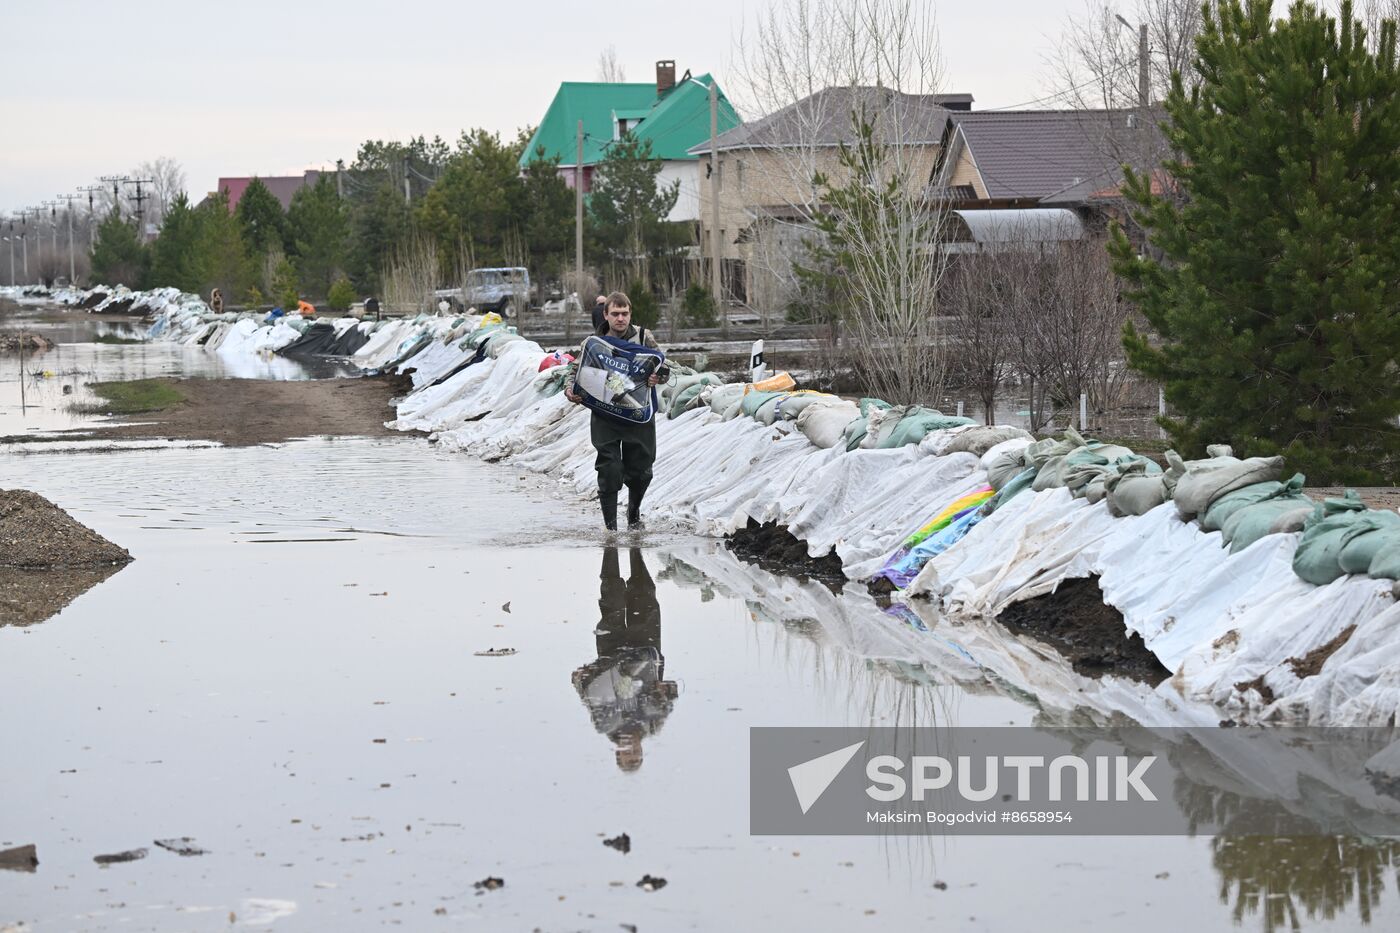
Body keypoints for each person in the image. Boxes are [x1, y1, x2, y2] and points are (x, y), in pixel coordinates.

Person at [564, 291, 665, 531]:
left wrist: (657, 377)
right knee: (609, 469)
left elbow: (663, 365)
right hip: (605, 412)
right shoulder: (594, 344)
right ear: (606, 315)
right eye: (615, 314)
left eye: (625, 313)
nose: (621, 318)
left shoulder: (643, 337)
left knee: (641, 470)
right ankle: (611, 527)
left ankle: (634, 513)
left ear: (630, 314)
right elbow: (575, 370)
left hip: (638, 413)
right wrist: (570, 390)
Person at [572, 547, 676, 772]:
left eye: (626, 755)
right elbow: (673, 692)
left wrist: (580, 679)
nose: (630, 750)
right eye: (634, 754)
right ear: (641, 750)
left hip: (610, 652)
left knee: (612, 597)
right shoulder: (654, 723)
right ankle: (635, 547)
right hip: (645, 652)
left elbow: (586, 694)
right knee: (644, 592)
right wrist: (664, 690)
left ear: (617, 752)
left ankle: (611, 547)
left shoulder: (603, 722)